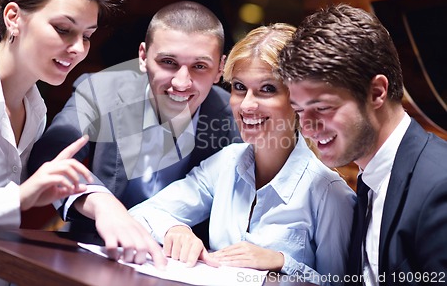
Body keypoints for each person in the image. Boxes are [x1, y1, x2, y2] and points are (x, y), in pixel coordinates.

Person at [129, 23, 356, 285]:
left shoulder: (330, 193)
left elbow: (342, 283)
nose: (247, 104)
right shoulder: (225, 162)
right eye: (239, 87)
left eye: (267, 89)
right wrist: (175, 228)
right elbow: (141, 214)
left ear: (300, 100)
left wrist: (283, 262)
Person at [0, 0, 122, 285]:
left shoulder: (36, 112)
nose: (77, 49)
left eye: (87, 35)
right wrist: (20, 196)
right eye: (63, 29)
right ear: (13, 18)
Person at [27, 1, 241, 263]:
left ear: (220, 68)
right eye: (168, 62)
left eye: (199, 67)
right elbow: (49, 156)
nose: (181, 83)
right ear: (142, 57)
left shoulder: (234, 117)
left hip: (182, 264)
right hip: (96, 252)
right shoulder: (100, 91)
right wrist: (101, 203)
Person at [278, 3, 447, 286]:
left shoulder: (439, 185)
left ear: (377, 92)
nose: (306, 126)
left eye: (322, 107)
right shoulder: (369, 178)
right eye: (299, 110)